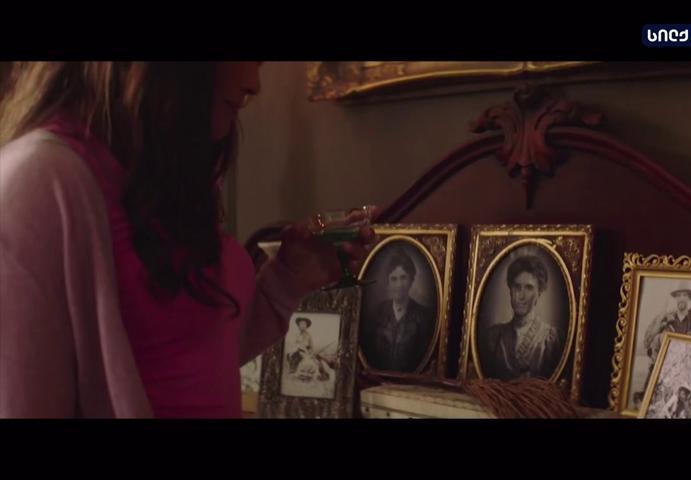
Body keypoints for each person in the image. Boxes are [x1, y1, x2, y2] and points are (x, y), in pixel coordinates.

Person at [0, 62, 375, 418]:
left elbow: (190, 359)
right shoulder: (37, 182)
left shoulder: (155, 180)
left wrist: (287, 279)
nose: (254, 84)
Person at [480, 255, 561, 380]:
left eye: (529, 288)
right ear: (510, 290)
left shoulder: (550, 340)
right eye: (516, 287)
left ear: (539, 293)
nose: (521, 296)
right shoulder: (494, 337)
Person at [633, 282, 691, 406]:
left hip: (686, 364)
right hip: (665, 363)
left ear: (689, 298)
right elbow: (649, 341)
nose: (681, 298)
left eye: (684, 295)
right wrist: (661, 331)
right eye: (678, 295)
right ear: (675, 298)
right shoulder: (666, 319)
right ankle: (647, 395)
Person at [362, 249, 433, 372]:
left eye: (403, 278)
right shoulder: (377, 313)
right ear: (388, 282)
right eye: (393, 279)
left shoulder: (424, 317)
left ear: (411, 280)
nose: (399, 285)